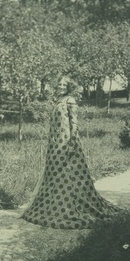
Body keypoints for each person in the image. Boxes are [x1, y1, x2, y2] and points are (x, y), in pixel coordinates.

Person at [21, 76, 122, 229]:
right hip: (55, 144)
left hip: (67, 143)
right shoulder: (58, 100)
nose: (61, 86)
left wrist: (72, 144)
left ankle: (70, 207)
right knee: (55, 175)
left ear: (69, 87)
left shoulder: (70, 100)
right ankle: (53, 206)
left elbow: (74, 124)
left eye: (64, 84)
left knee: (69, 174)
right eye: (59, 84)